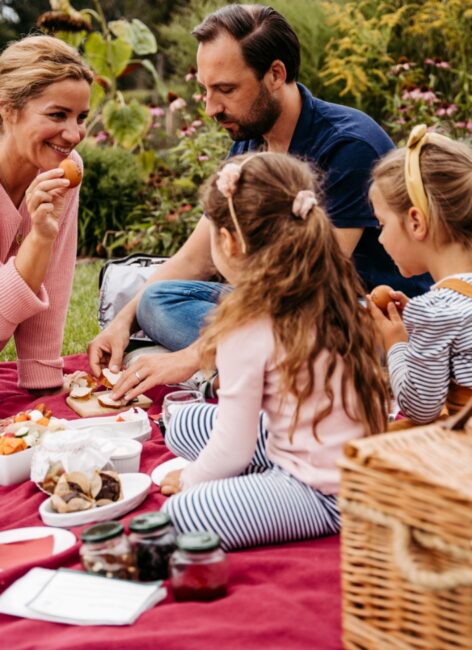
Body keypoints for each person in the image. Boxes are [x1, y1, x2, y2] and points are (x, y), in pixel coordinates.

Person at [91, 3, 430, 400]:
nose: (210, 108)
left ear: (275, 74)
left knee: (298, 327)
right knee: (155, 299)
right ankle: (260, 364)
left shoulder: (348, 146)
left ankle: (247, 370)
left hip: (358, 315)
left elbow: (312, 288)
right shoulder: (249, 139)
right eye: (205, 89)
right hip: (283, 306)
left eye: (226, 90)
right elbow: (196, 256)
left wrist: (195, 356)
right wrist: (124, 320)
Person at [158, 152, 388, 549]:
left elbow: (233, 449)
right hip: (340, 455)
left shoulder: (247, 324)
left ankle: (254, 489)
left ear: (229, 242)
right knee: (182, 423)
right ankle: (253, 482)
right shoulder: (339, 293)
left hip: (327, 493)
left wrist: (192, 481)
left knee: (180, 516)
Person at [0, 35, 92, 393]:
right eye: (57, 114)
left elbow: (54, 275)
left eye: (81, 117)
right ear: (8, 109)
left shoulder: (64, 169)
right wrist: (38, 238)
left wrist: (42, 379)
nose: (73, 134)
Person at [368, 124, 472, 424]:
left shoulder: (436, 311)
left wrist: (396, 341)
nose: (380, 239)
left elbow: (419, 407)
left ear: (416, 222)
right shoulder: (437, 311)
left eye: (381, 224)